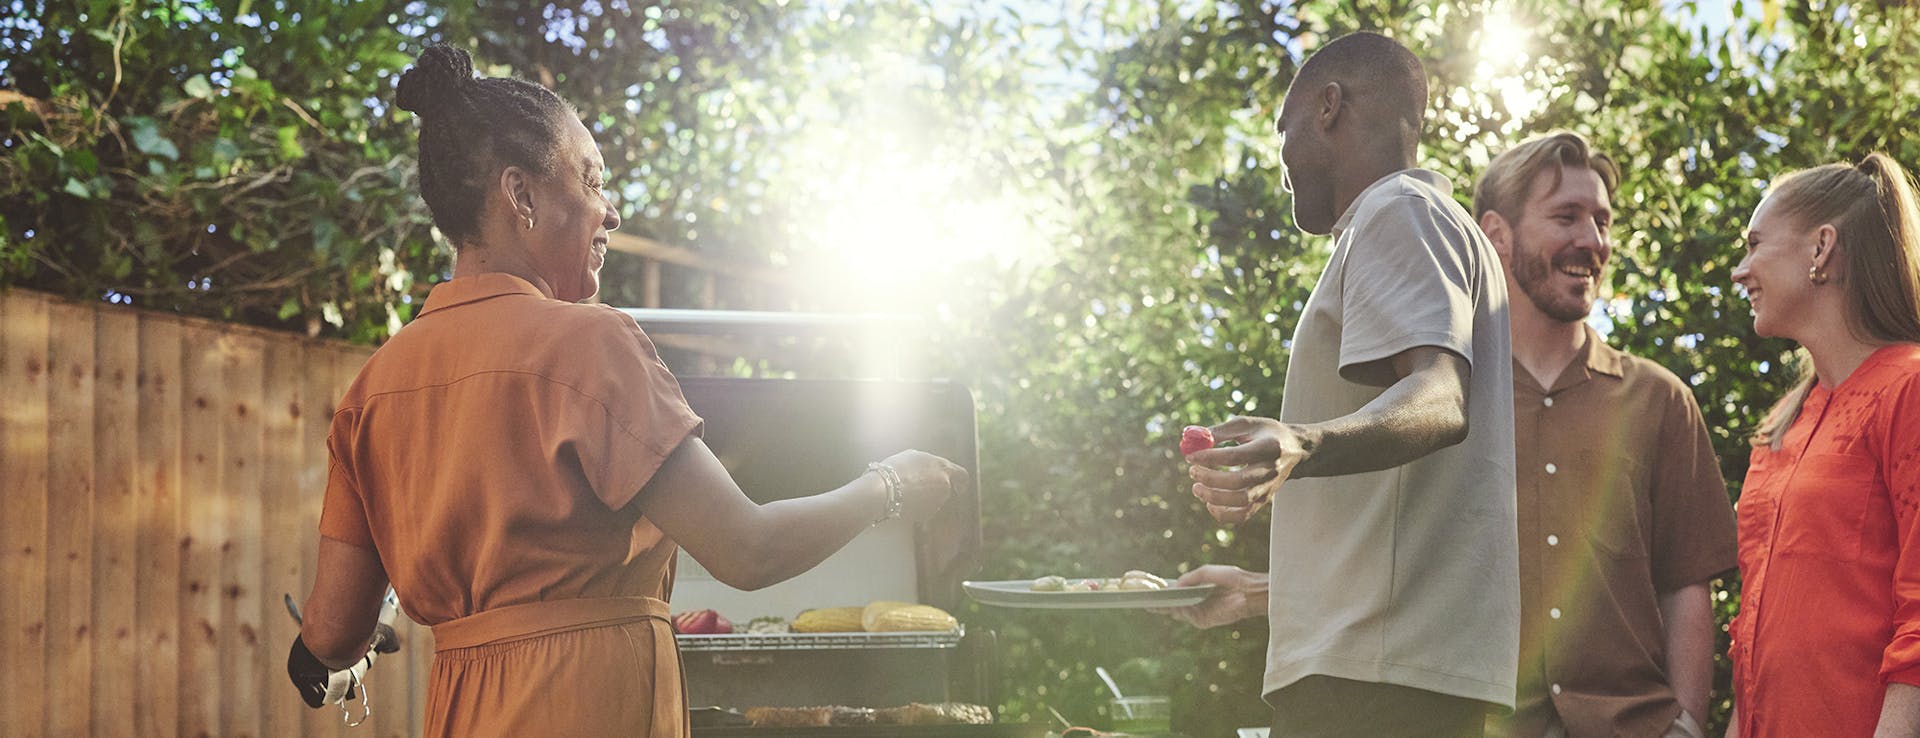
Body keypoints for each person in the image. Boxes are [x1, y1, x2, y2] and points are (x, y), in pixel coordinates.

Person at [283, 45, 969, 738]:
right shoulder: (588, 343)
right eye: (590, 181)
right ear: (520, 196)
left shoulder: (373, 390)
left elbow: (332, 632)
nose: (609, 213)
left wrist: (341, 646)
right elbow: (746, 550)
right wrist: (891, 486)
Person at [1162, 31, 1518, 737]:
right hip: (1397, 676)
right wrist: (1267, 594)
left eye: (1283, 129)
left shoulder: (1397, 211)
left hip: (1373, 687)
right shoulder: (1434, 226)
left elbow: (1441, 396)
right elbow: (1410, 523)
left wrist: (1300, 441)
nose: (1283, 159)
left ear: (1328, 108)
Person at [1470, 131, 1735, 738]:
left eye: (1602, 221)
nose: (1592, 241)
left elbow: (1687, 581)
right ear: (1497, 234)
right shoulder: (1449, 396)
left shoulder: (1660, 399)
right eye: (1566, 216)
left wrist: (1689, 725)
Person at [1725, 153, 1920, 737]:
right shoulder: (1783, 422)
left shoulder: (1910, 388)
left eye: (1755, 243)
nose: (1740, 269)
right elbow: (1753, 623)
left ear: (1821, 248)